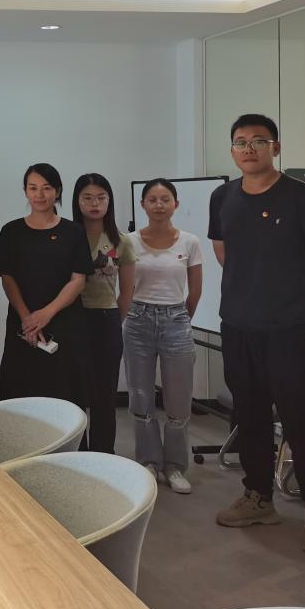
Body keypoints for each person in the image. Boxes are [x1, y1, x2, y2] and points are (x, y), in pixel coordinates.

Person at [209, 114, 305, 556]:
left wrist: (293, 296)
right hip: (238, 326)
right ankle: (259, 497)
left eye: (258, 141)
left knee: (300, 419)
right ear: (232, 150)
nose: (248, 148)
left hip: (290, 329)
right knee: (249, 416)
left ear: (275, 148)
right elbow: (225, 253)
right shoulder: (222, 197)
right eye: (240, 142)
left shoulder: (301, 196)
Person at [125, 178, 203, 494]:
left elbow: (195, 290)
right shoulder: (128, 242)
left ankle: (174, 466)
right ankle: (148, 461)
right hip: (138, 321)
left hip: (176, 320)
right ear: (142, 204)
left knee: (178, 400)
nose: (159, 205)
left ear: (175, 204)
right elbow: (123, 287)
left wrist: (180, 319)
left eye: (165, 199)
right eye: (153, 199)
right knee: (140, 396)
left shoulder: (190, 242)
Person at [0, 163, 92, 407]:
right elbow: (7, 277)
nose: (39, 194)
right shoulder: (11, 231)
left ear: (57, 191)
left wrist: (46, 314)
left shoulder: (73, 231)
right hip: (23, 325)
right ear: (25, 191)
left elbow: (78, 280)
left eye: (46, 188)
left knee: (64, 395)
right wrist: (28, 319)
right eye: (33, 188)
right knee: (21, 394)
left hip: (65, 322)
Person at [72, 173, 135, 453]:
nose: (94, 203)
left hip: (107, 319)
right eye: (87, 197)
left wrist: (113, 322)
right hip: (73, 319)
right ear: (77, 201)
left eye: (101, 197)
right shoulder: (68, 236)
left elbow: (127, 291)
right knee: (75, 393)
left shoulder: (121, 241)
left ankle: (103, 456)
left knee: (104, 396)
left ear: (109, 201)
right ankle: (77, 456)